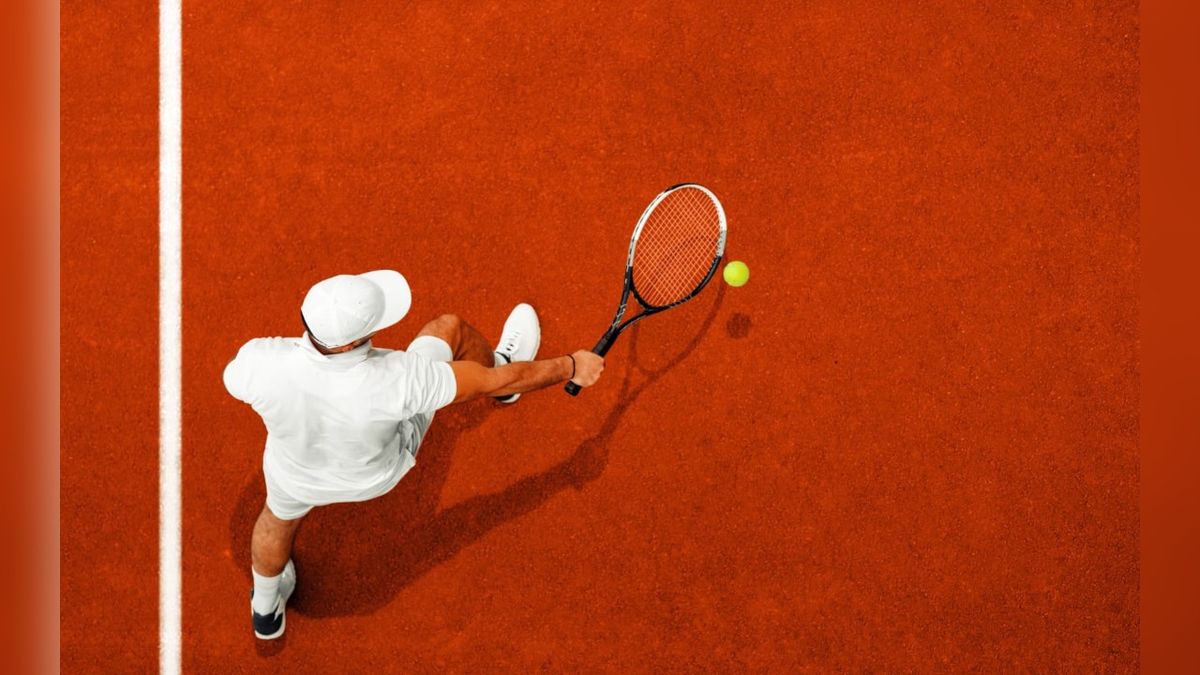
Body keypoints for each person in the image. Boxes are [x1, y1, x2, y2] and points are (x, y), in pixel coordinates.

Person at [223, 270, 604, 639]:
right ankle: (503, 364)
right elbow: (490, 382)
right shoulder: (403, 378)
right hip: (377, 475)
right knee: (449, 329)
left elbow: (239, 377)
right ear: (349, 344)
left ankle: (266, 611)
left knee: (276, 521)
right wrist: (571, 365)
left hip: (295, 476)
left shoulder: (260, 361)